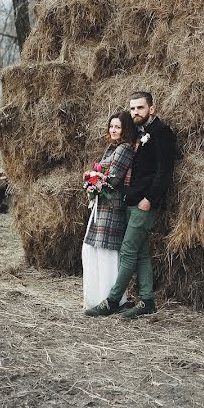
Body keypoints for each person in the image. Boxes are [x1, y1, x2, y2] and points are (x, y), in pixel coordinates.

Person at [85, 91, 176, 318]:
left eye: (140, 108)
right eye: (133, 108)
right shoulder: (137, 134)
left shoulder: (162, 133)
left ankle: (113, 301)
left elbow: (165, 172)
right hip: (131, 200)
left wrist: (150, 199)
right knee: (142, 253)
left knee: (127, 251)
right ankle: (147, 301)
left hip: (145, 203)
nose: (136, 112)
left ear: (151, 109)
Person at [81, 111, 136, 310]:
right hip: (102, 204)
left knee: (107, 252)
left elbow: (113, 180)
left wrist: (94, 179)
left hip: (111, 206)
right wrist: (92, 179)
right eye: (111, 126)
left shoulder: (124, 149)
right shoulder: (113, 148)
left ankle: (112, 298)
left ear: (126, 129)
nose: (113, 130)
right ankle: (97, 297)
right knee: (94, 249)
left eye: (118, 127)